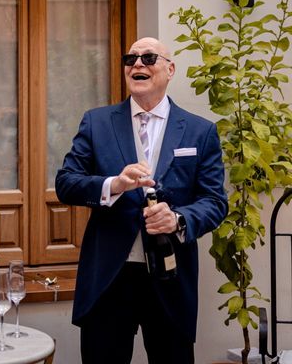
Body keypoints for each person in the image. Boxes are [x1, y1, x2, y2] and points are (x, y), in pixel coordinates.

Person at [55, 37, 227, 364]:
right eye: (130, 58)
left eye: (148, 58)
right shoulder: (97, 122)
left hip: (170, 278)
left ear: (169, 68)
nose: (137, 64)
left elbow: (215, 201)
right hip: (109, 278)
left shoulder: (199, 131)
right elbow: (66, 183)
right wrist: (114, 185)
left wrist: (178, 219)